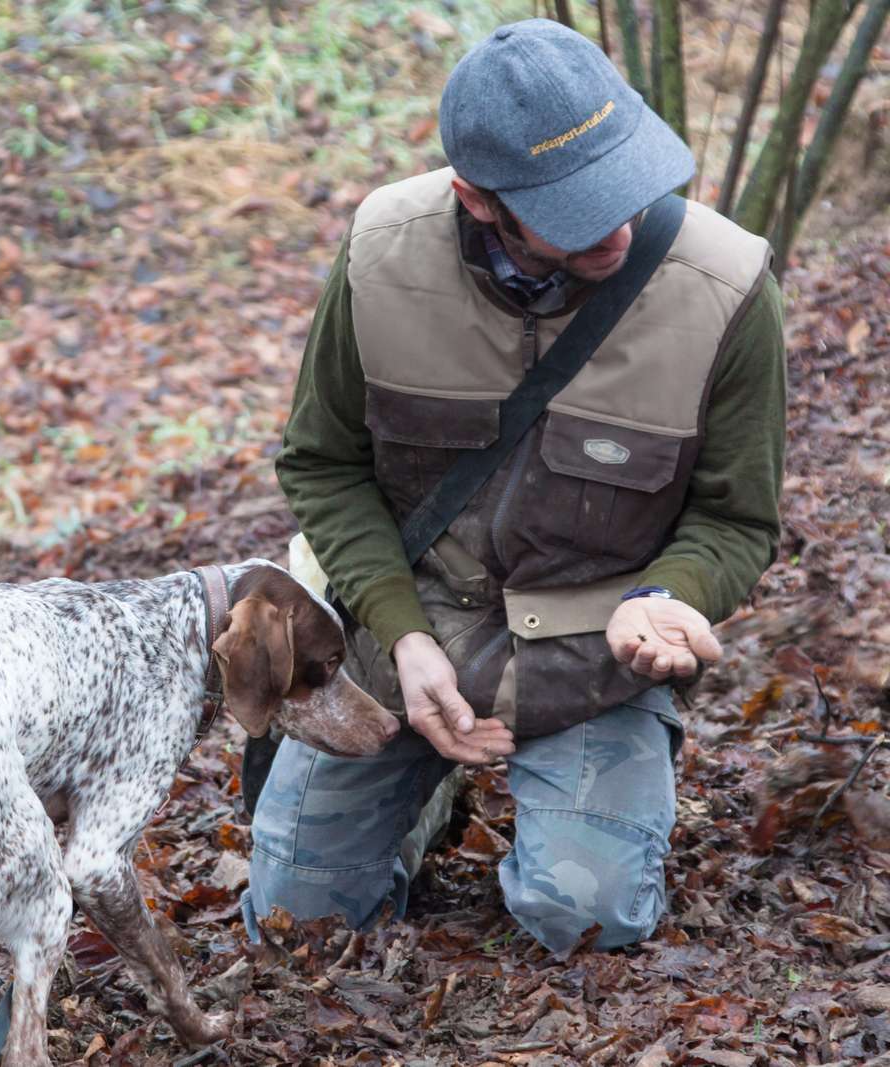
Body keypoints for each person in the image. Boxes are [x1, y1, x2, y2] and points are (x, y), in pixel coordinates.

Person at [248, 18, 785, 954]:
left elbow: (736, 518)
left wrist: (672, 596)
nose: (618, 226)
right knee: (295, 927)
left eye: (628, 182)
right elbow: (322, 463)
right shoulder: (380, 256)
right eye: (576, 212)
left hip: (589, 662)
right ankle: (426, 798)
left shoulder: (728, 287)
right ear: (479, 199)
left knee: (585, 920)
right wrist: (399, 633)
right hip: (398, 647)